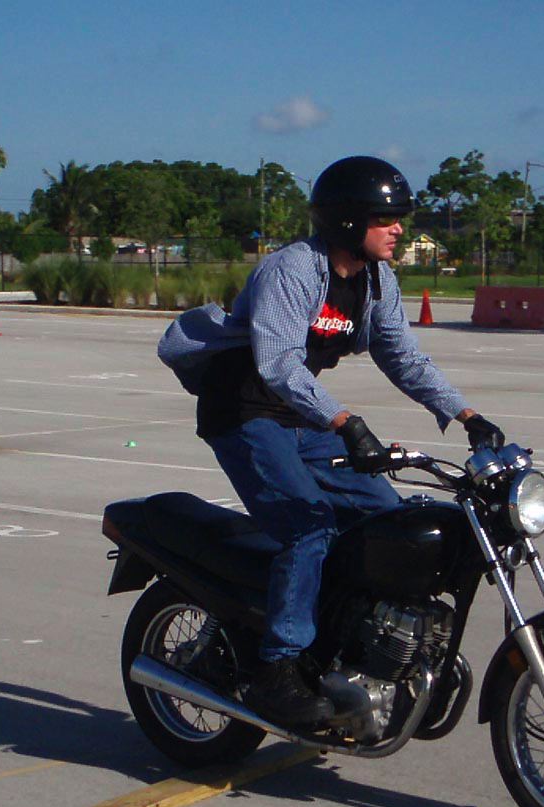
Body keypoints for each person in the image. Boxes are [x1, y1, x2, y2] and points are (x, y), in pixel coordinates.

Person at [158, 156, 505, 727]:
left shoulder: (376, 280)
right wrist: (346, 423)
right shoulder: (291, 270)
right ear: (347, 221)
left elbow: (403, 356)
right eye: (385, 219)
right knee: (308, 524)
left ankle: (348, 641)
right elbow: (278, 364)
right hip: (245, 413)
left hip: (302, 418)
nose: (399, 229)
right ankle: (277, 668)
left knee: (383, 518)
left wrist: (466, 415)